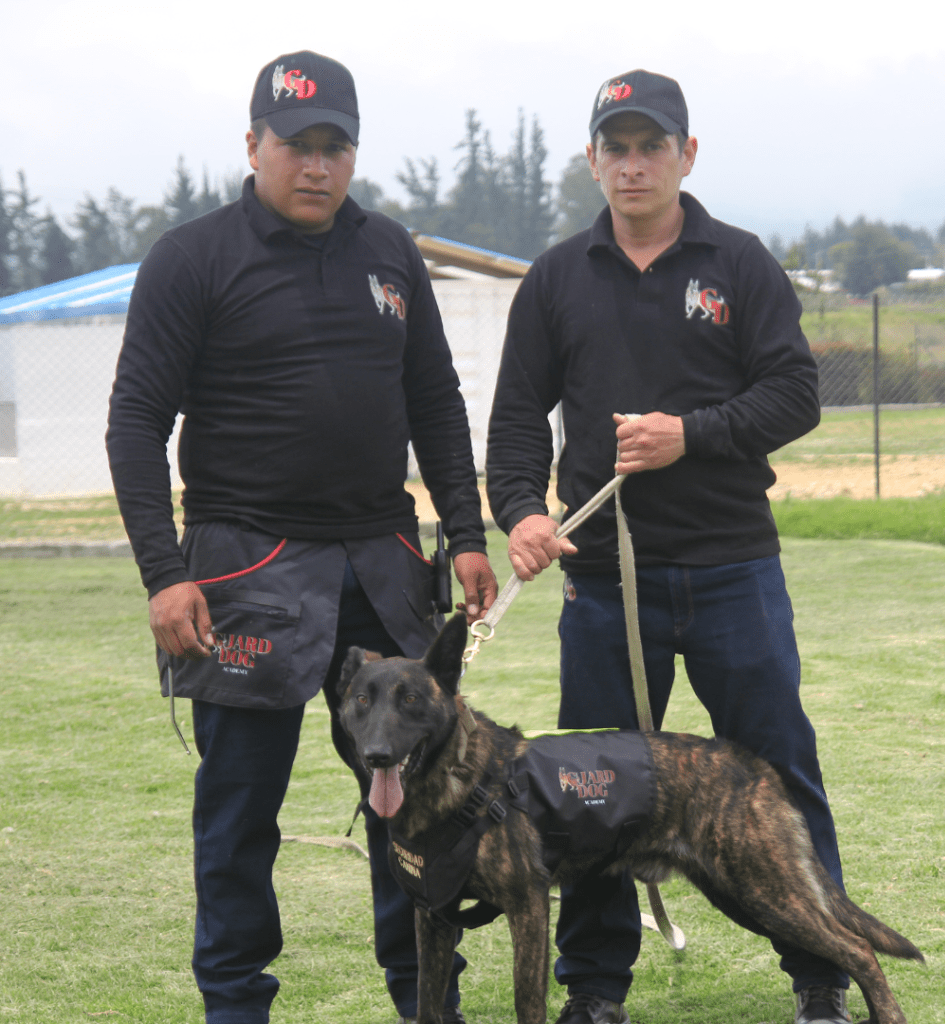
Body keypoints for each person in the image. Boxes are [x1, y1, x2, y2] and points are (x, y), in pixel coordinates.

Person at [106, 50, 497, 1024]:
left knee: (414, 802)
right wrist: (164, 573)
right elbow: (134, 421)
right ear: (253, 144)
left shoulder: (390, 253)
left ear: (352, 152)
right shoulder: (193, 258)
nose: (315, 165)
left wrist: (467, 530)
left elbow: (434, 401)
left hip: (380, 566)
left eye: (335, 146)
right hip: (246, 567)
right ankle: (235, 1005)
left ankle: (426, 998)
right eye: (295, 145)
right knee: (239, 811)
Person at [486, 69, 851, 1024]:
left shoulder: (739, 263)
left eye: (654, 145)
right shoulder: (558, 277)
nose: (634, 163)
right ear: (593, 160)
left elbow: (795, 395)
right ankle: (597, 992)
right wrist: (523, 511)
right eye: (618, 146)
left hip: (734, 569)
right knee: (589, 792)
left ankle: (820, 976)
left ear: (688, 156)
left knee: (776, 774)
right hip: (603, 584)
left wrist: (690, 435)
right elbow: (518, 419)